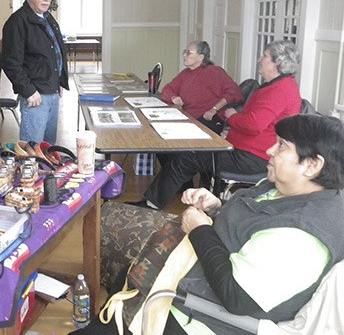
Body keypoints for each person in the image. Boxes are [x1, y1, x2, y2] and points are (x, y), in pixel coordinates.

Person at [74, 114, 344, 335]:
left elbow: (235, 295)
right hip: (186, 268)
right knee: (119, 258)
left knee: (117, 255)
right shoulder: (288, 188)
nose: (269, 150)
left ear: (312, 165)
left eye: (282, 145)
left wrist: (200, 229)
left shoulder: (300, 239)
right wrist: (216, 207)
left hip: (194, 313)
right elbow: (253, 226)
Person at [133, 39, 301, 209]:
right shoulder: (280, 86)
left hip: (252, 157)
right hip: (245, 149)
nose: (260, 60)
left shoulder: (279, 90)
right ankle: (192, 199)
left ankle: (152, 204)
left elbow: (253, 125)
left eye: (264, 56)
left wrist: (232, 117)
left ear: (277, 63)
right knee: (192, 155)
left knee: (189, 157)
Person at [1, 0, 69, 144]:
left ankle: (46, 172)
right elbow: (10, 62)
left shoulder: (47, 18)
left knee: (47, 148)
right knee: (32, 152)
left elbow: (55, 50)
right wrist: (29, 91)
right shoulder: (17, 22)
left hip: (51, 91)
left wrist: (59, 80)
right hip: (35, 96)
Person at [161, 41, 243, 134]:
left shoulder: (214, 72)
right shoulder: (185, 74)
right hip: (189, 117)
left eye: (188, 53)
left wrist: (214, 109)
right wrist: (173, 97)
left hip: (208, 118)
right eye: (184, 52)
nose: (184, 56)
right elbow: (167, 89)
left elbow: (233, 92)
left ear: (201, 57)